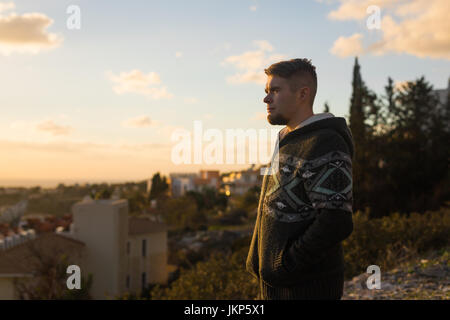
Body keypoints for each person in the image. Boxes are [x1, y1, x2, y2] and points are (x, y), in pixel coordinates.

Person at [246, 58, 355, 300]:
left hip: (306, 289)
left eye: (275, 90)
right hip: (279, 288)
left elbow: (337, 220)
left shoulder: (324, 142)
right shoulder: (289, 139)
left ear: (302, 94)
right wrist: (258, 261)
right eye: (266, 91)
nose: (266, 99)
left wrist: (284, 266)